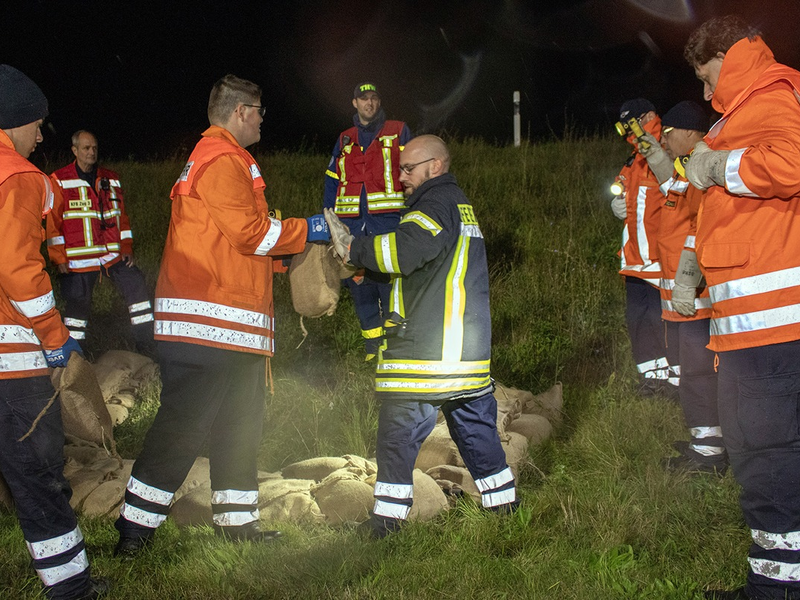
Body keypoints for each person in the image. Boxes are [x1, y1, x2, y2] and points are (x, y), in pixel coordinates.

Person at [114, 74, 330, 556]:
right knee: (182, 429)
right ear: (239, 112)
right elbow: (250, 232)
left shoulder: (222, 158)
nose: (262, 119)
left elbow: (236, 243)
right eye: (259, 111)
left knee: (240, 426)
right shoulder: (222, 159)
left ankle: (237, 524)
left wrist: (285, 256)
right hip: (208, 327)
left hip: (232, 329)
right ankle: (134, 531)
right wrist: (308, 229)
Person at [324, 135, 518, 538]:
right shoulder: (457, 205)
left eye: (408, 169)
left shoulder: (433, 203)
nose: (400, 177)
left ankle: (386, 525)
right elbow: (424, 267)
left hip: (426, 350)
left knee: (397, 435)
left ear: (435, 166)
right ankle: (505, 512)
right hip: (463, 349)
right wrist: (369, 270)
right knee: (476, 430)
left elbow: (406, 252)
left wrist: (355, 249)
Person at [683, 15, 800, 600]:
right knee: (771, 453)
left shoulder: (770, 94)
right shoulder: (754, 103)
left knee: (766, 456)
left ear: (728, 55)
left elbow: (793, 162)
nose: (705, 95)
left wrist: (720, 167)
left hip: (769, 328)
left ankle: (776, 589)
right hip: (761, 325)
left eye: (706, 78)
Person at [0, 64, 108, 599]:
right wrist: (54, 335)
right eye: (35, 124)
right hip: (11, 361)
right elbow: (20, 270)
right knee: (39, 473)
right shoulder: (16, 177)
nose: (40, 135)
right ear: (13, 122)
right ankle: (72, 589)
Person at [639, 100, 727, 475]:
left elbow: (697, 230)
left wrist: (688, 284)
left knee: (698, 372)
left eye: (670, 134)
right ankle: (705, 440)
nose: (667, 140)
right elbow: (670, 184)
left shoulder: (700, 172)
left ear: (690, 133)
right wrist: (654, 152)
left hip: (696, 300)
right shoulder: (684, 170)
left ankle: (709, 451)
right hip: (681, 299)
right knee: (690, 371)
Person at [323, 82, 413, 360]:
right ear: (355, 103)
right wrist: (329, 220)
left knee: (390, 286)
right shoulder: (345, 139)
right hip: (352, 228)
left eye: (374, 98)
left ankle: (396, 350)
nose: (369, 104)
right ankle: (373, 352)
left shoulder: (398, 130)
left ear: (379, 101)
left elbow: (414, 170)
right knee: (359, 286)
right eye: (364, 99)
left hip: (388, 223)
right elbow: (332, 181)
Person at [48, 130, 156, 358]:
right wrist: (59, 257)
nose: (91, 152)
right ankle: (75, 356)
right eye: (86, 148)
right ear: (75, 151)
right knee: (77, 307)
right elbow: (53, 222)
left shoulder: (111, 178)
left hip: (112, 255)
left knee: (136, 285)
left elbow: (121, 217)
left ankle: (146, 343)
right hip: (79, 259)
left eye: (94, 148)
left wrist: (126, 247)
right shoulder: (59, 180)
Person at [611, 98, 677, 399]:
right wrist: (617, 202)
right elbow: (623, 188)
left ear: (650, 116)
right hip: (635, 259)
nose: (629, 130)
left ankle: (676, 378)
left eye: (633, 122)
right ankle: (651, 377)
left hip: (660, 257)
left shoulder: (666, 149)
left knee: (662, 319)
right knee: (637, 319)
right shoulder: (633, 160)